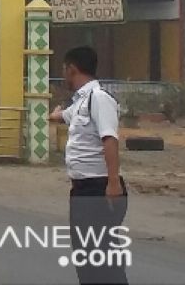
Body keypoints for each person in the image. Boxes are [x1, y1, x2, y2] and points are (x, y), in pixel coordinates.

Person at [49, 46, 129, 285]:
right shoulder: (82, 102)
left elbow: (109, 140)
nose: (63, 74)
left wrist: (112, 183)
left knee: (101, 260)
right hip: (83, 190)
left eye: (64, 69)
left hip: (99, 188)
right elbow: (64, 116)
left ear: (72, 68)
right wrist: (54, 114)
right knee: (87, 258)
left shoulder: (99, 99)